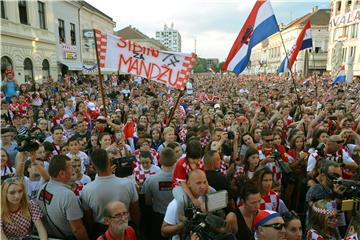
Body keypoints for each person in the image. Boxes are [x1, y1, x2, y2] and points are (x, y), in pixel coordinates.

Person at [80, 149, 140, 238]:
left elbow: (88, 219)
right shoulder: (128, 184)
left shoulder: (87, 189)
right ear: (110, 162)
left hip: (101, 229)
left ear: (93, 166)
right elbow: (135, 211)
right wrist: (137, 228)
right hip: (125, 226)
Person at [36, 154, 89, 239]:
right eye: (71, 168)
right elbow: (77, 229)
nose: (73, 170)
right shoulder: (68, 195)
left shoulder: (43, 188)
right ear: (62, 173)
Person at [141, 147, 177, 240]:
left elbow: (148, 202)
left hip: (159, 219)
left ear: (160, 160)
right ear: (175, 159)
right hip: (178, 219)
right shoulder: (183, 179)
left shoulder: (150, 180)